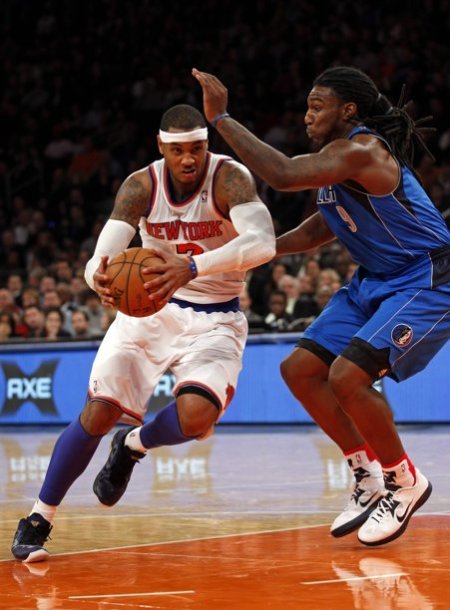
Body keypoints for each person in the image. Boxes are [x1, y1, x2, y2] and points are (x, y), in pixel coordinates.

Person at [193, 65, 450, 546]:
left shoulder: (361, 150)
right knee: (299, 370)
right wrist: (257, 252)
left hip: (426, 277)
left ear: (347, 110)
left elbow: (284, 175)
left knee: (347, 377)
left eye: (317, 105)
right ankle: (365, 472)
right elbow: (323, 226)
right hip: (375, 280)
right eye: (307, 104)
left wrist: (222, 118)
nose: (307, 113)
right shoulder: (335, 161)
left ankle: (403, 479)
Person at [11, 103, 275, 562]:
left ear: (206, 147)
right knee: (98, 413)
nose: (189, 159)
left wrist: (191, 266)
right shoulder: (140, 185)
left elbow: (264, 243)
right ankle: (40, 516)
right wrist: (101, 281)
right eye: (178, 150)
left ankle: (133, 445)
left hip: (215, 315)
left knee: (197, 418)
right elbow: (101, 257)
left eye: (197, 149)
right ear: (161, 147)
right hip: (149, 310)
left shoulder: (230, 179)